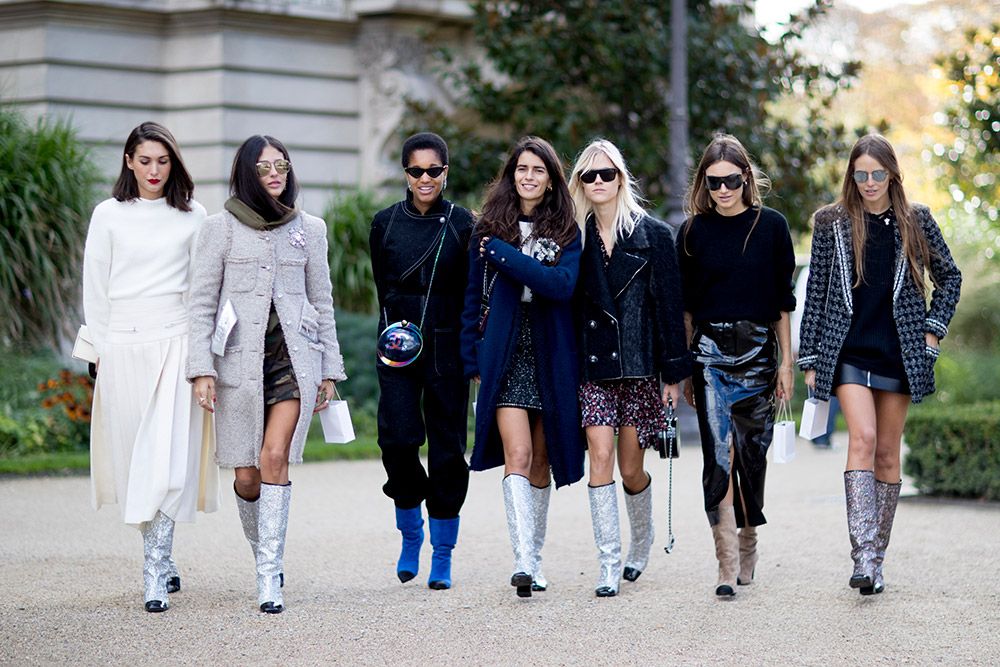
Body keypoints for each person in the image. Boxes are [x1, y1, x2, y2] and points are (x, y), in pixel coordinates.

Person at [187, 135, 346, 614]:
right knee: (248, 475)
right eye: (264, 167)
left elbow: (323, 301)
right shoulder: (220, 229)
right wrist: (201, 369)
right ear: (246, 174)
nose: (275, 173)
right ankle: (265, 555)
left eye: (281, 165)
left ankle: (267, 578)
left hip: (293, 363)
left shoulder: (309, 228)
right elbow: (200, 304)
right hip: (238, 363)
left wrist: (330, 368)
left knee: (274, 456)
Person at [798, 134, 961, 595]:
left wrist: (932, 329)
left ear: (892, 174)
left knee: (889, 453)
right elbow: (816, 296)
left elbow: (949, 276)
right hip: (848, 350)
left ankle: (878, 557)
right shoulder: (831, 223)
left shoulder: (916, 221)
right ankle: (863, 558)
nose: (869, 182)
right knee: (863, 439)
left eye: (878, 174)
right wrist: (811, 356)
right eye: (861, 174)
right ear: (852, 174)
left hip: (899, 351)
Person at [83, 121, 219, 613]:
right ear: (128, 161)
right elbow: (94, 287)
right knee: (135, 457)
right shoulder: (108, 215)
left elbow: (204, 290)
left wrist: (206, 355)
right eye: (145, 161)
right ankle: (159, 550)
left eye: (163, 161)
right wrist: (97, 350)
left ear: (174, 162)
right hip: (122, 343)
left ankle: (154, 573)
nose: (154, 170)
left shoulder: (194, 215)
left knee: (167, 459)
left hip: (177, 342)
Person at [460, 136, 585, 598]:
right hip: (505, 350)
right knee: (517, 455)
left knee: (543, 459)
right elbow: (472, 298)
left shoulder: (567, 232)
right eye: (521, 169)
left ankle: (536, 554)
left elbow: (559, 286)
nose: (527, 176)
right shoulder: (487, 229)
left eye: (537, 170)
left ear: (551, 180)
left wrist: (505, 254)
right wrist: (472, 356)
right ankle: (523, 561)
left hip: (552, 350)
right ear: (511, 176)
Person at [568, 139, 691, 597]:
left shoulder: (653, 235)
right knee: (599, 458)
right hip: (593, 369)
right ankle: (608, 563)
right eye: (589, 175)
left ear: (621, 177)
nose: (598, 182)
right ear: (579, 182)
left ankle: (642, 539)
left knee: (631, 468)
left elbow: (670, 309)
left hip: (641, 370)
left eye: (607, 173)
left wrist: (673, 374)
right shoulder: (570, 238)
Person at [677, 133, 796, 599]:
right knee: (717, 457)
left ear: (746, 177)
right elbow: (687, 309)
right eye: (712, 183)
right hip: (708, 353)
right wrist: (686, 366)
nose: (722, 191)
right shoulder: (691, 232)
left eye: (730, 181)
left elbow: (782, 303)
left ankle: (750, 539)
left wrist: (785, 364)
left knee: (752, 455)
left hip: (758, 353)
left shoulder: (771, 226)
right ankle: (726, 563)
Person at [369, 132, 473, 590]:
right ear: (405, 174)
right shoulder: (385, 223)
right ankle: (411, 534)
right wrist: (393, 331)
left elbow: (471, 293)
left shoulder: (463, 224)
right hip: (397, 348)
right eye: (416, 171)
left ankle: (443, 552)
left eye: (434, 170)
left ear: (446, 172)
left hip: (447, 347)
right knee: (397, 439)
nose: (425, 178)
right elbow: (382, 287)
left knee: (448, 449)